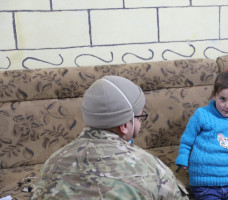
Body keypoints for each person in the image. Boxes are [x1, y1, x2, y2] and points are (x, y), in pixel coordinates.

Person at [32, 76, 188, 200]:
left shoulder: (52, 164)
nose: (140, 122)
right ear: (125, 126)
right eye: (140, 117)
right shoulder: (151, 169)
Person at [175, 68, 228, 200]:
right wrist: (183, 156)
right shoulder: (202, 114)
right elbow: (188, 138)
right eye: (222, 99)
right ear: (214, 95)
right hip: (203, 181)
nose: (227, 105)